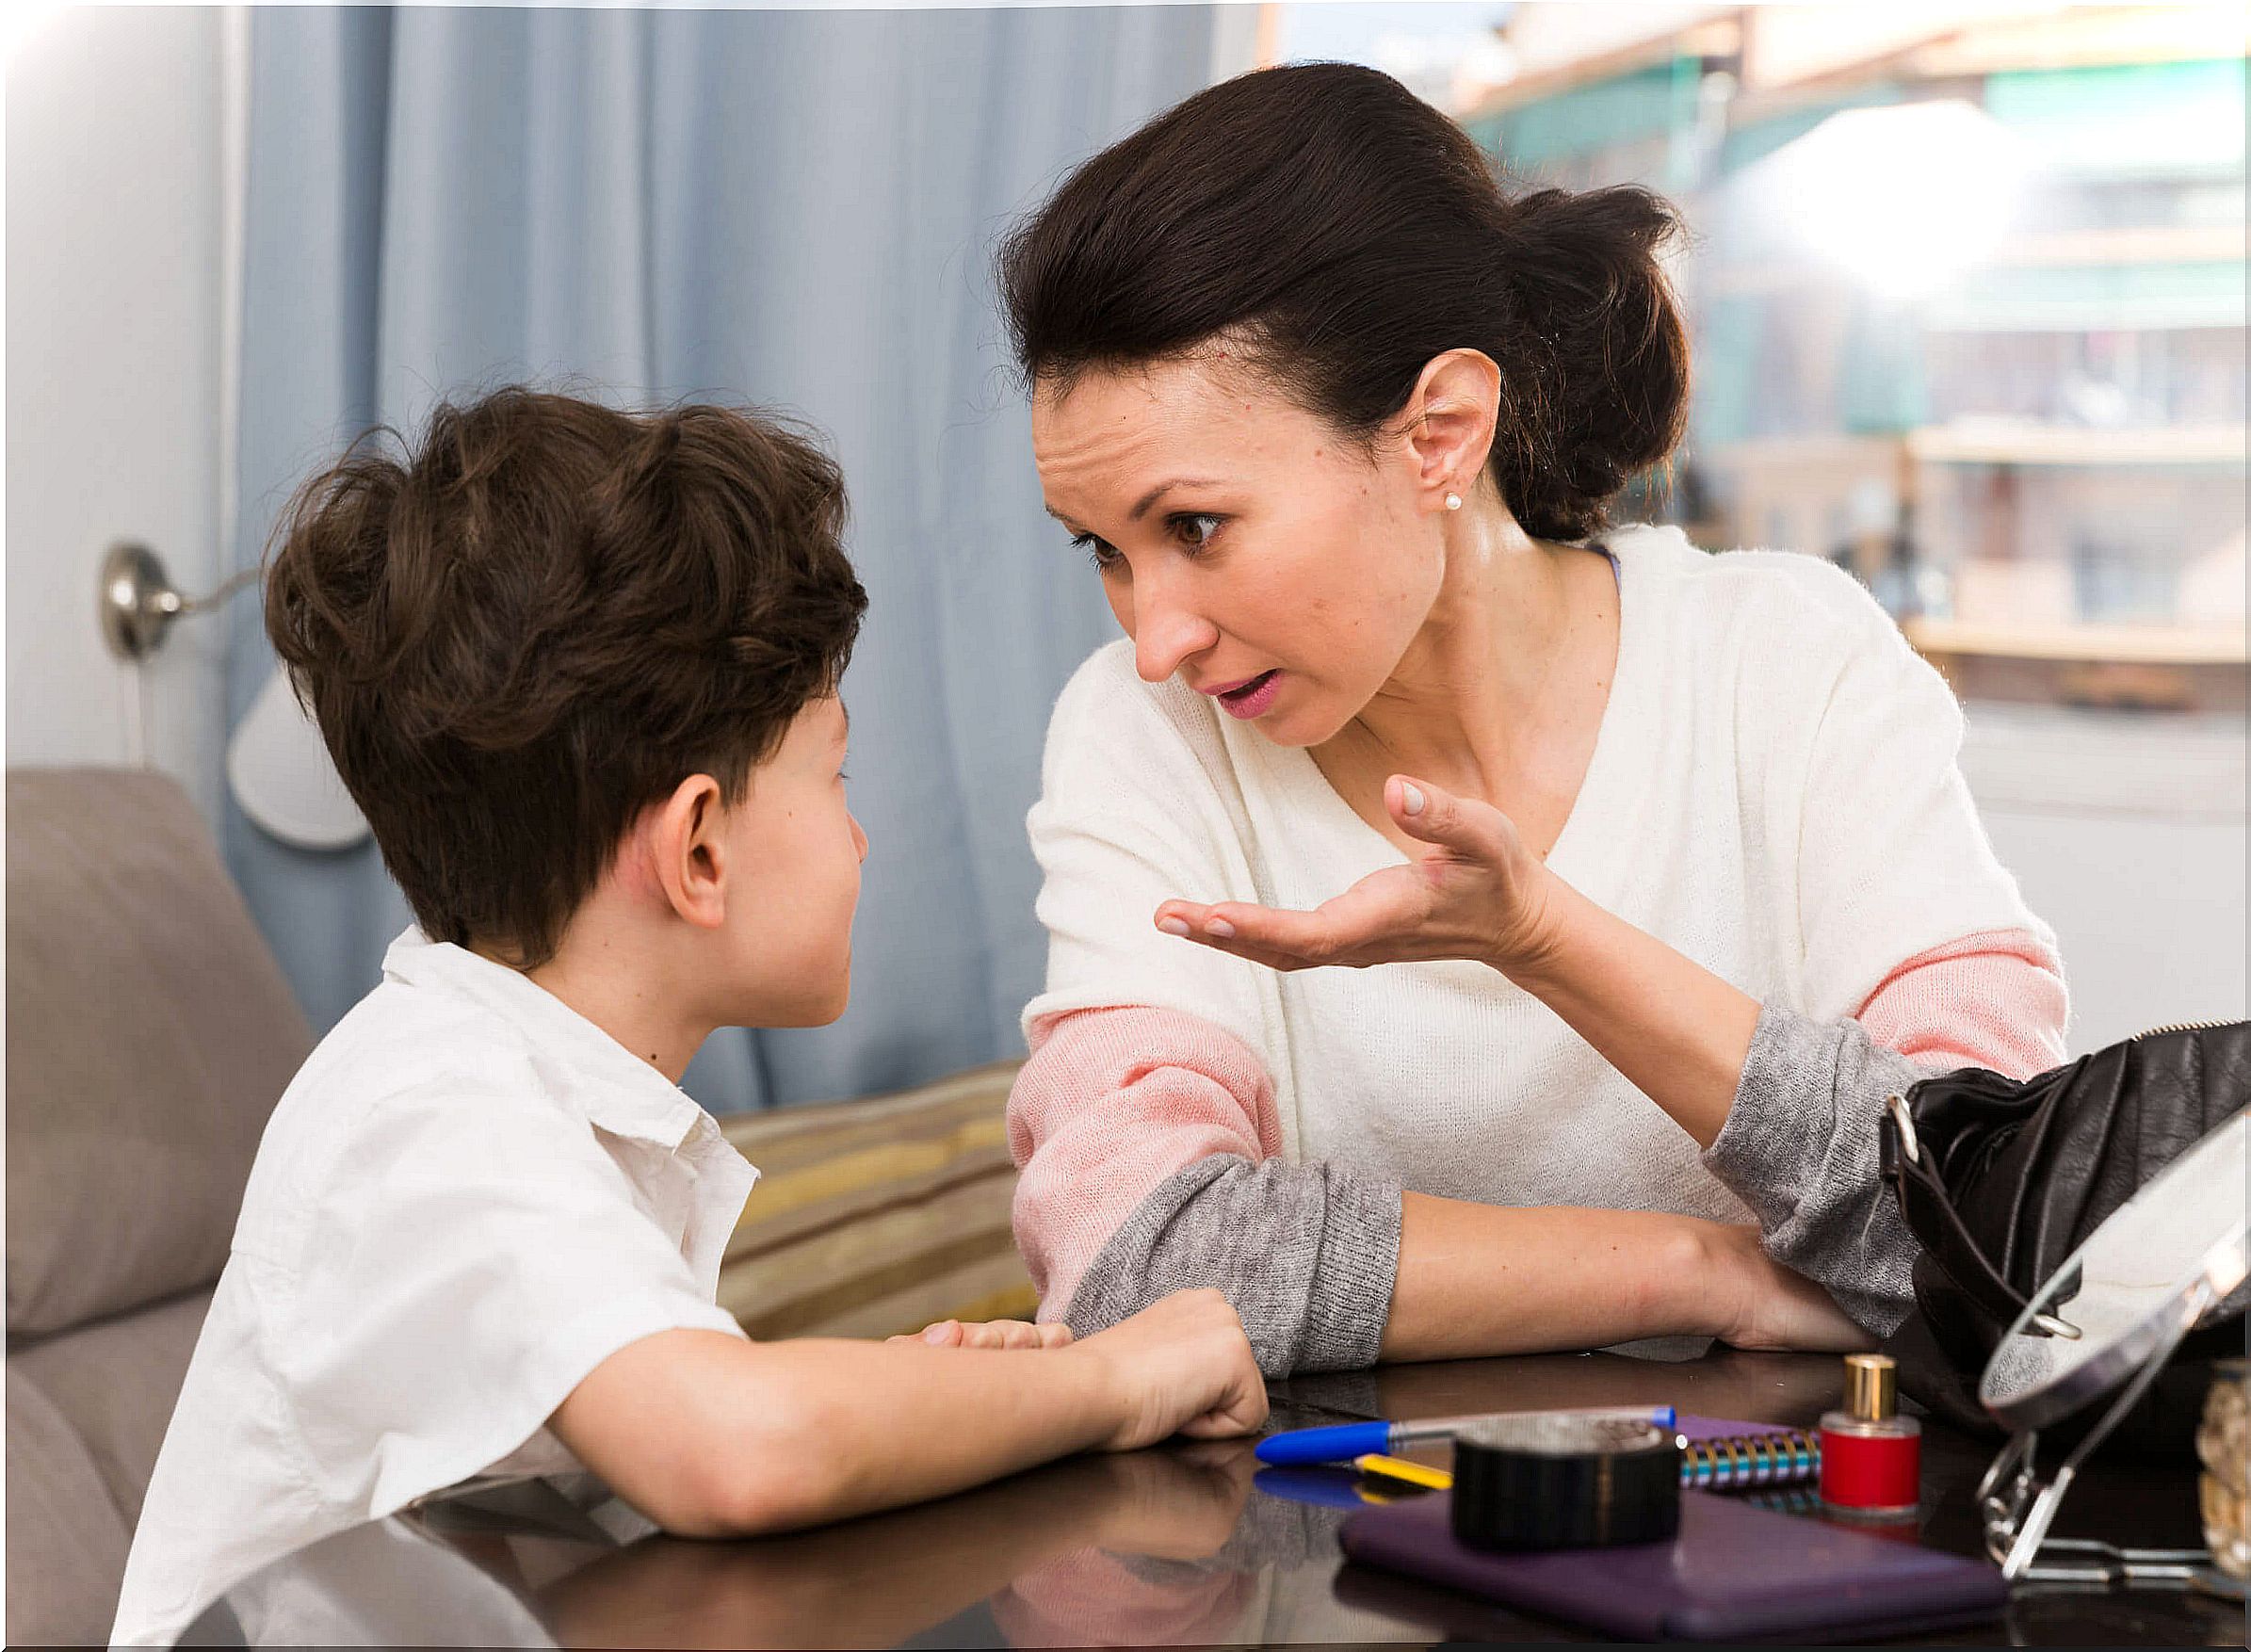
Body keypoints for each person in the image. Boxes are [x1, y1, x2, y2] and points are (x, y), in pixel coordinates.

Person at [110, 390, 1266, 1646]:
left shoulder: (512, 1086)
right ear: (699, 851)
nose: (859, 831)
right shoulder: (431, 1120)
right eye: (834, 774)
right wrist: (1115, 1376)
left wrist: (941, 1394)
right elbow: (735, 1451)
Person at [996, 64, 2068, 1374]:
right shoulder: (1143, 734)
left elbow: (1997, 1220)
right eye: (1102, 550)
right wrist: (1694, 1271)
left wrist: (1545, 938)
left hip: (1807, 1529)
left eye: (1195, 527)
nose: (1153, 641)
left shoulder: (1787, 663)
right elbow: (1133, 1252)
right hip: (1342, 1547)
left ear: (1439, 432)